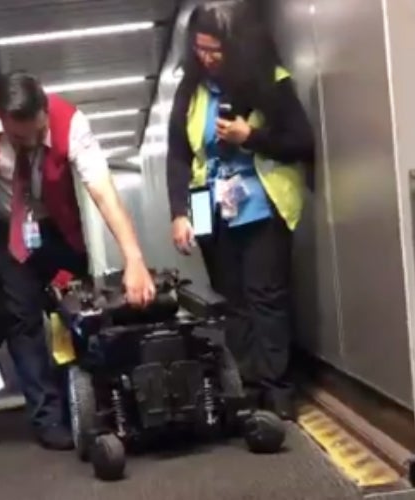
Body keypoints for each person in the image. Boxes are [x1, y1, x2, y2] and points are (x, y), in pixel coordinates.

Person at [0, 71, 157, 450]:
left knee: (80, 315)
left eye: (37, 133)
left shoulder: (72, 123)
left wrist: (134, 258)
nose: (30, 144)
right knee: (23, 322)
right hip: (1, 231)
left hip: (57, 229)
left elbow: (102, 190)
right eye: (18, 138)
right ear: (0, 117)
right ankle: (47, 418)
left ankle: (98, 403)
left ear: (45, 110)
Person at [166, 1, 315, 421]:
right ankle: (245, 388)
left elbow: (301, 142)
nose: (207, 58)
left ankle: (277, 389)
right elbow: (179, 155)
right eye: (199, 49)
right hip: (208, 204)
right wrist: (180, 212)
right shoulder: (189, 90)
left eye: (215, 50)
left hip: (261, 202)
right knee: (233, 300)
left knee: (266, 296)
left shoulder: (270, 79)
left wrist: (251, 136)